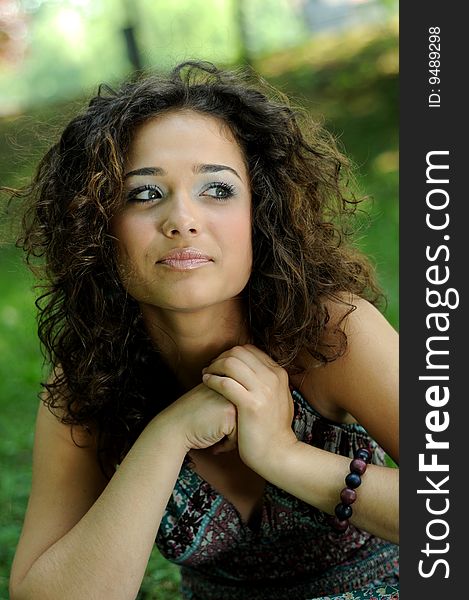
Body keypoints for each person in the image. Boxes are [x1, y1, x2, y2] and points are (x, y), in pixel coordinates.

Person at [8, 60, 398, 600]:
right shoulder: (87, 383)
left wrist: (284, 455)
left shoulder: (332, 331)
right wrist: (168, 435)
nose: (182, 220)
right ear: (98, 227)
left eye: (216, 189)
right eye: (144, 194)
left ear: (259, 212)